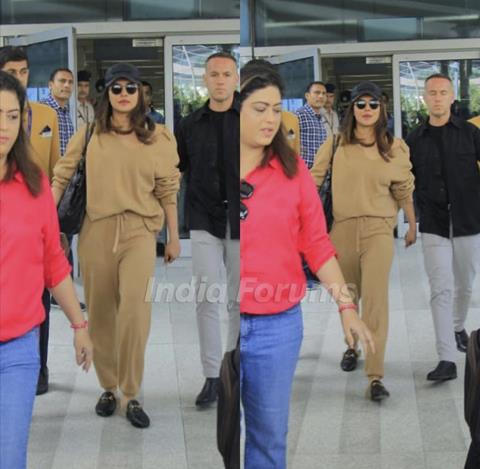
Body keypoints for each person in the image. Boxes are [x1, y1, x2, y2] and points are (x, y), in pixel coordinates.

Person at [240, 64, 375, 469]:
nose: (270, 119)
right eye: (259, 108)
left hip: (275, 325)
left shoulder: (292, 172)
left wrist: (346, 306)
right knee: (223, 432)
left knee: (267, 438)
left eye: (276, 109)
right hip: (220, 317)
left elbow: (317, 244)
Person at [52, 63, 181, 428]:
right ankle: (108, 386)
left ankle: (132, 391)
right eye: (116, 88)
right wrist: (43, 224)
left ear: (140, 93)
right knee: (103, 311)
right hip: (96, 230)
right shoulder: (90, 133)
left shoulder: (158, 136)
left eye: (130, 88)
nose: (124, 94)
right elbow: (61, 177)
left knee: (136, 313)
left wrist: (173, 236)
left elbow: (168, 189)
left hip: (140, 231)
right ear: (106, 94)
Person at [0, 70, 93, 469]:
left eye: (11, 115)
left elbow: (53, 261)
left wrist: (79, 325)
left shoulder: (33, 183)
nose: (3, 125)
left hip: (19, 347)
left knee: (9, 455)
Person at [311, 81, 417, 399]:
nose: (367, 109)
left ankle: (375, 376)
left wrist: (412, 224)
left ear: (382, 109)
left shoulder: (394, 146)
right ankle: (352, 346)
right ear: (351, 108)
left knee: (375, 302)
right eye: (361, 104)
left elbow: (404, 188)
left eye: (373, 104)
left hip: (378, 231)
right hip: (341, 230)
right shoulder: (334, 144)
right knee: (349, 298)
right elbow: (311, 183)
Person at [175, 51, 240, 409]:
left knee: (238, 300)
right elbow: (177, 170)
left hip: (242, 222)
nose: (219, 80)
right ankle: (212, 376)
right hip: (202, 220)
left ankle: (234, 369)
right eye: (213, 74)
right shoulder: (188, 125)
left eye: (226, 74)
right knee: (206, 297)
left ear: (236, 79)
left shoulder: (249, 118)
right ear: (204, 79)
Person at [406, 73, 480, 381]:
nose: (437, 97)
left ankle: (457, 325)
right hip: (434, 223)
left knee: (464, 284)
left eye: (443, 92)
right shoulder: (413, 138)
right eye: (432, 93)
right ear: (424, 98)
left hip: (469, 219)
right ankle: (446, 358)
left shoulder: (470, 133)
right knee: (441, 289)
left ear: (452, 97)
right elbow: (403, 182)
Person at [0, 45, 62, 396]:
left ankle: (37, 367)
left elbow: (54, 169)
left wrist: (48, 217)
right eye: (13, 71)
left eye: (24, 72)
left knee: (39, 297)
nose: (19, 78)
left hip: (35, 211)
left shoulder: (43, 116)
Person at [40, 67, 75, 156]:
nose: (67, 85)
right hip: (45, 168)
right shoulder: (42, 109)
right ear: (50, 85)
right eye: (62, 81)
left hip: (65, 168)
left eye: (70, 82)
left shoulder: (66, 112)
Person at [295, 81, 328, 168]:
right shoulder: (298, 115)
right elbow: (289, 141)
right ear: (307, 96)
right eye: (317, 92)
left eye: (324, 93)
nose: (321, 96)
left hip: (320, 172)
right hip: (304, 172)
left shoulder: (322, 117)